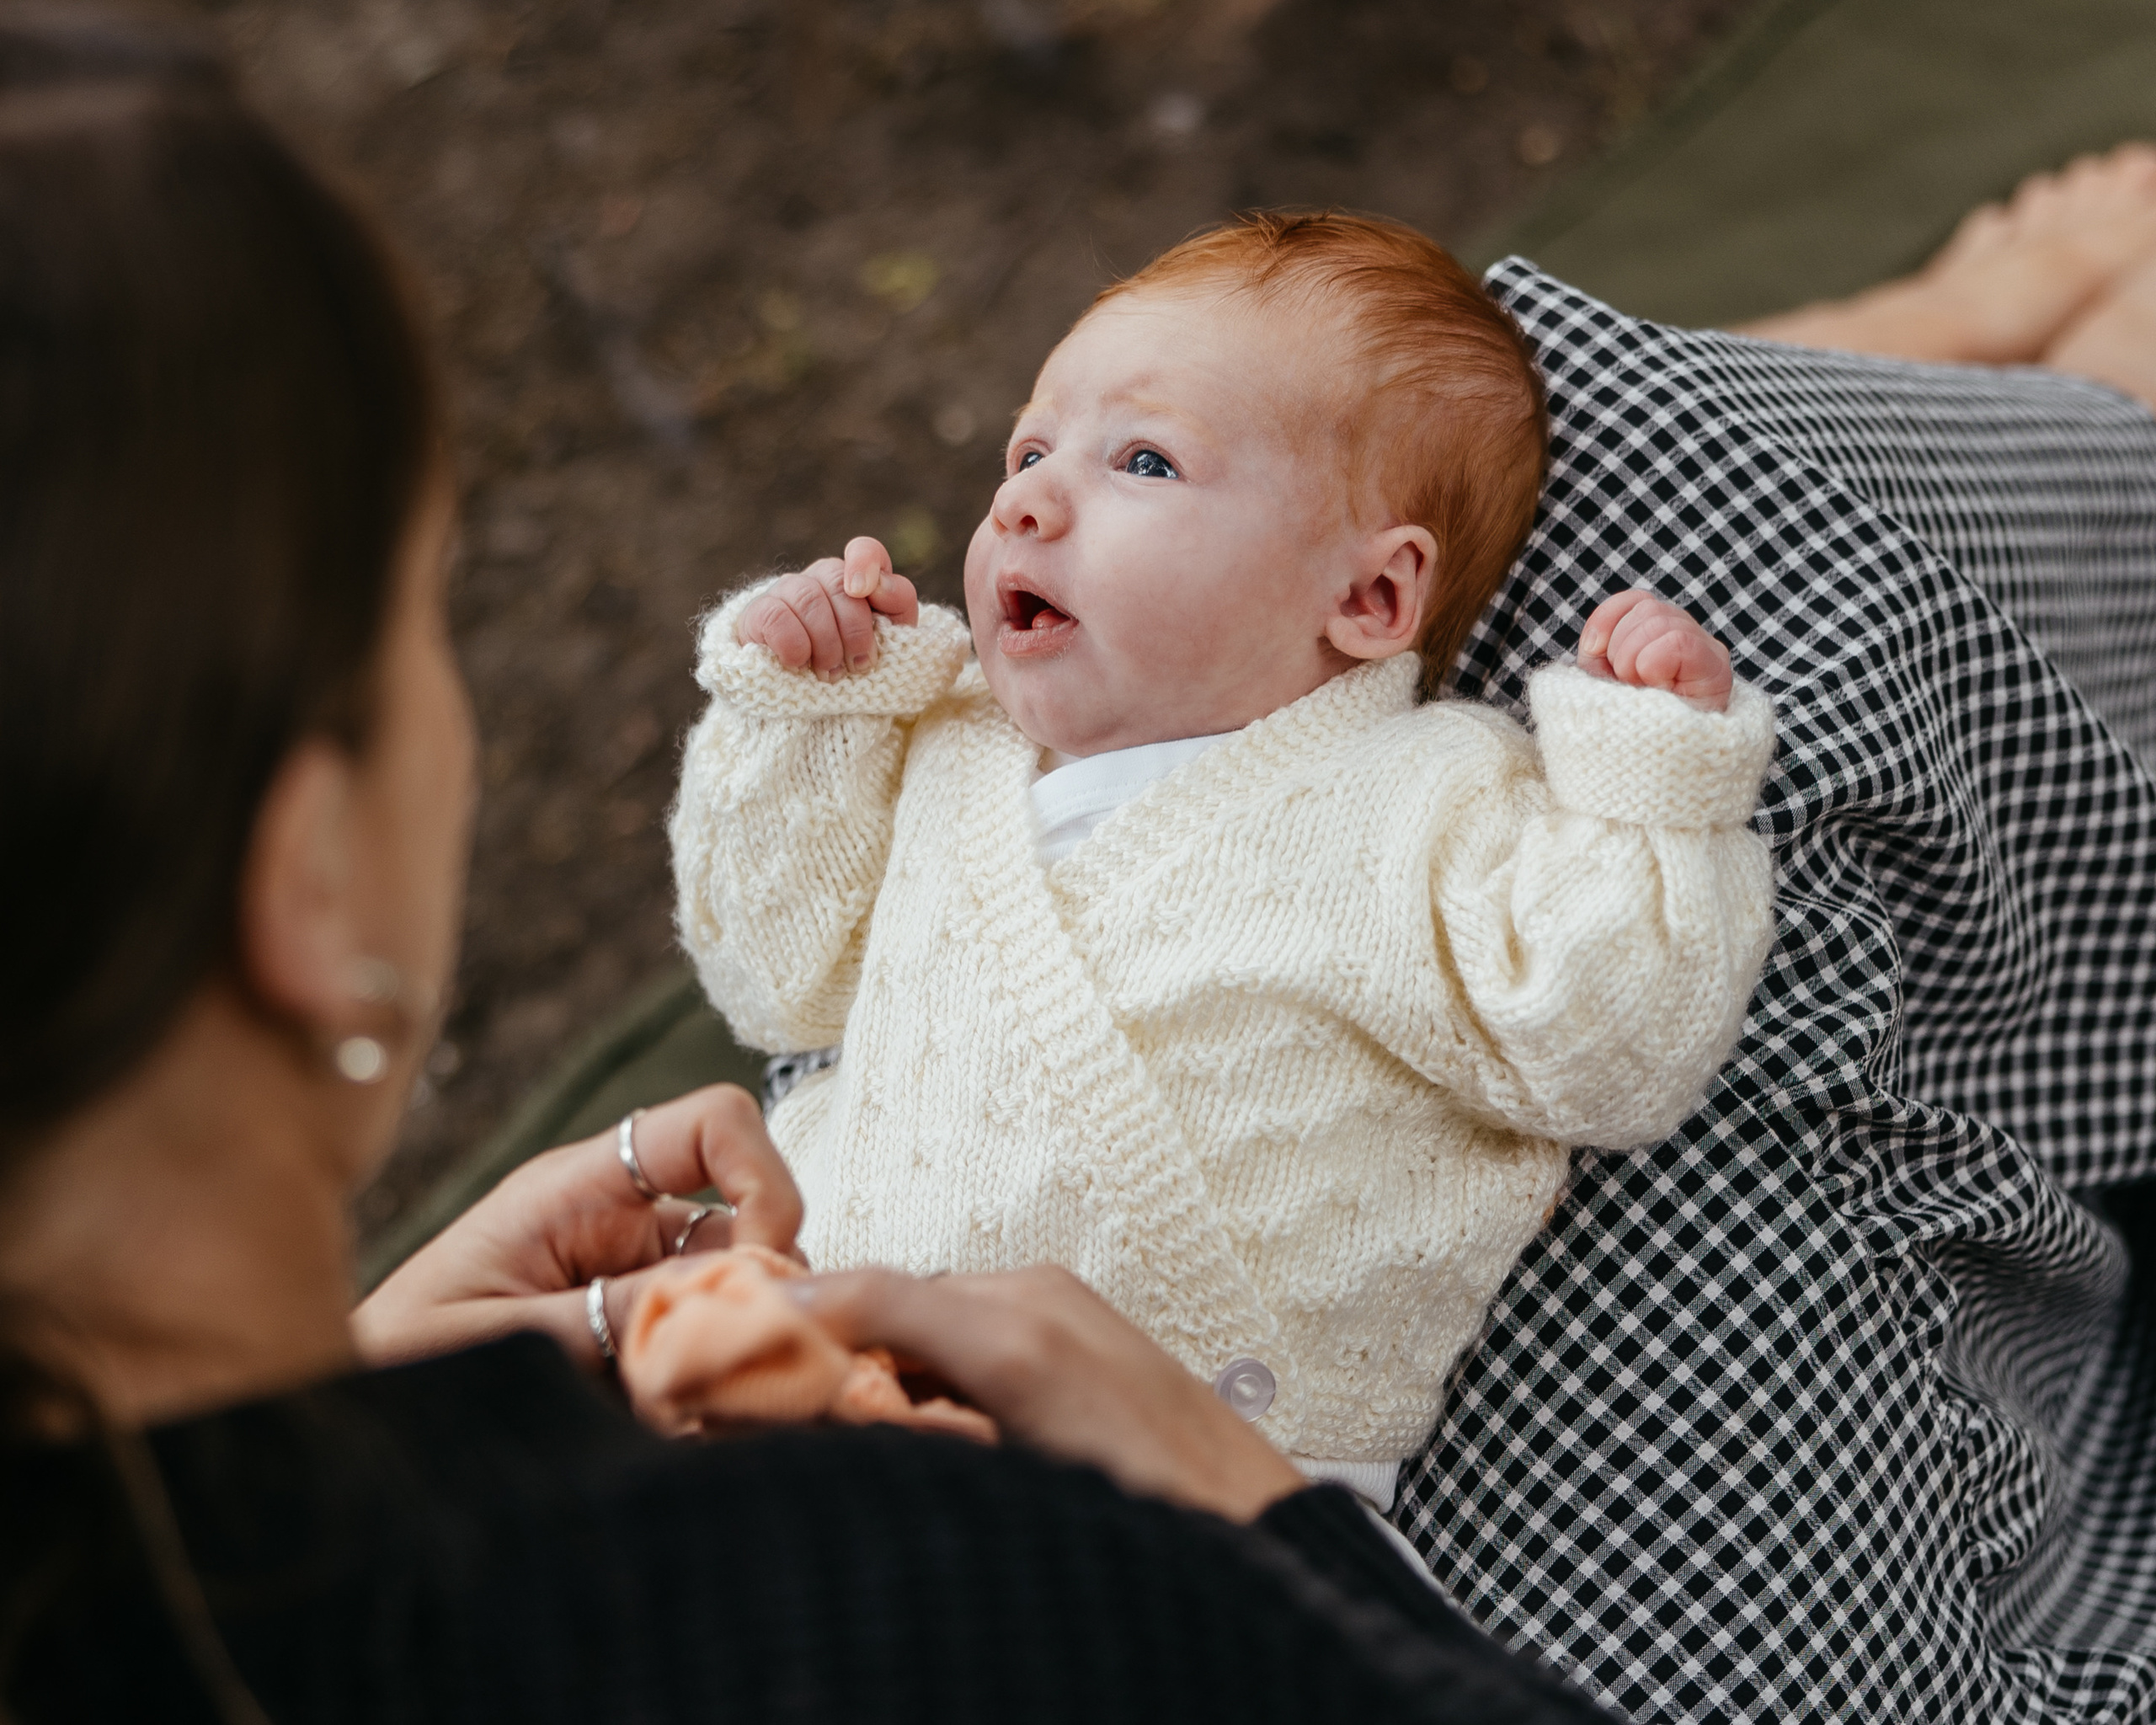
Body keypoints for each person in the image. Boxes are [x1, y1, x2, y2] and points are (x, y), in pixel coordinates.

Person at [0, 13, 1625, 1724]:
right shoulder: (885, 1584)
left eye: (1133, 461)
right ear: (307, 889)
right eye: (423, 625)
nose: (1030, 504)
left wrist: (353, 1360)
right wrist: (1246, 1513)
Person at [668, 212, 1779, 1511]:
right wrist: (803, 715)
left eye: (1143, 459)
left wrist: (1647, 780)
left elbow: (1607, 1048)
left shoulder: (1425, 802)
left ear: (1368, 600)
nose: (1025, 497)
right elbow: (776, 982)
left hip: (1195, 1476)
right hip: (802, 1387)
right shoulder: (938, 745)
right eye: (1028, 449)